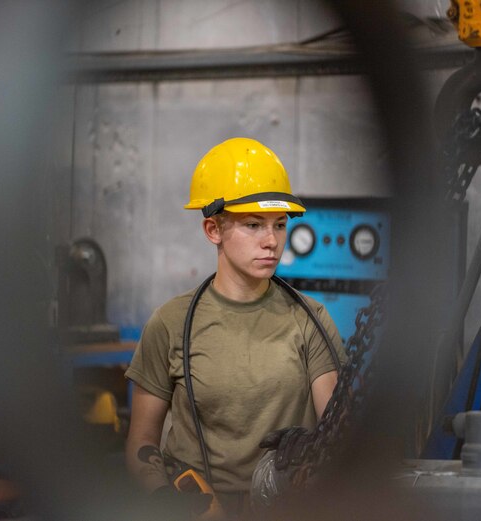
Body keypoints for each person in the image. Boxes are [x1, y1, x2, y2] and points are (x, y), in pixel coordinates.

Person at [124, 137, 346, 519]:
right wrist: (167, 500)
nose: (272, 241)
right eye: (254, 225)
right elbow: (141, 443)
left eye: (279, 224)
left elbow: (339, 430)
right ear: (213, 230)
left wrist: (317, 450)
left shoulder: (311, 319)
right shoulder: (171, 323)